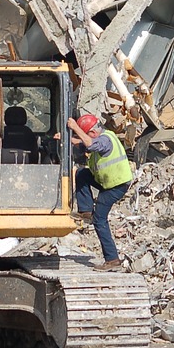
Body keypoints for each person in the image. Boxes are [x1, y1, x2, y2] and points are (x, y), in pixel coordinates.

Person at [68, 113, 133, 270]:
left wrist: (75, 127)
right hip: (108, 181)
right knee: (82, 174)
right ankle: (85, 210)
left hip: (116, 186)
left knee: (100, 219)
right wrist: (69, 139)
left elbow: (90, 144)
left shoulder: (104, 140)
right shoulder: (103, 135)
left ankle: (112, 260)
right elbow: (85, 144)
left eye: (85, 133)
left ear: (92, 132)